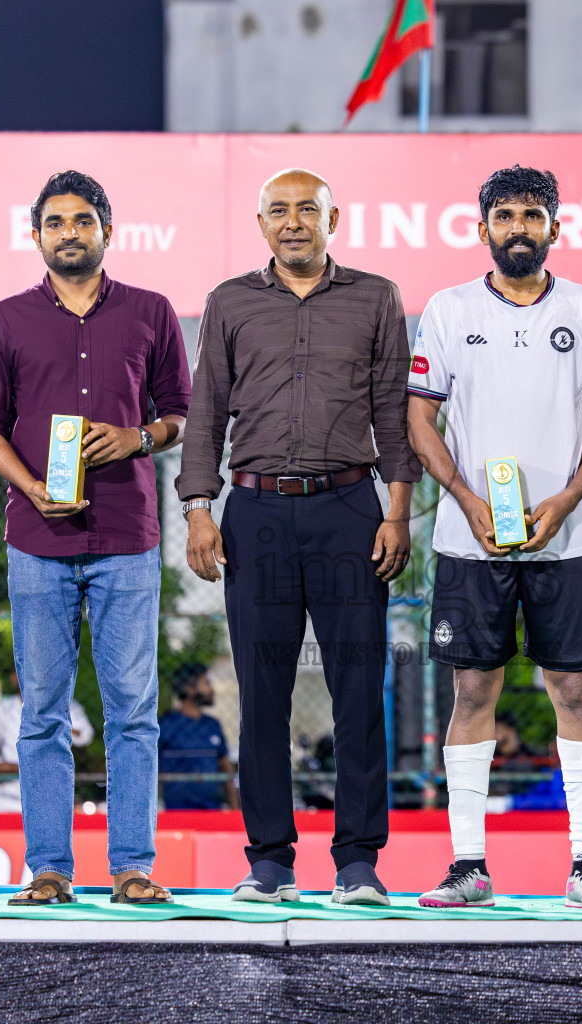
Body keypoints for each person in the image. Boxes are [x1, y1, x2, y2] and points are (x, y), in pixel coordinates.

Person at [180, 168, 417, 907]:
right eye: (278, 211)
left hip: (352, 509)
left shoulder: (376, 297)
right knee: (262, 694)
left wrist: (398, 510)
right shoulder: (229, 302)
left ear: (332, 219)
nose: (293, 222)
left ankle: (358, 864)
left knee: (358, 690)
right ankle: (269, 863)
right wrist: (197, 508)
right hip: (255, 519)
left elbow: (392, 409)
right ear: (261, 225)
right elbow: (206, 412)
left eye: (306, 210)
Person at [407, 165, 582, 909]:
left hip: (566, 539)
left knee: (573, 687)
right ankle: (467, 865)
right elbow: (418, 422)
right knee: (474, 687)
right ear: (484, 229)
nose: (519, 228)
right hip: (471, 540)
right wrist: (465, 499)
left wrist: (565, 502)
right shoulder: (447, 308)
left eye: (533, 215)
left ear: (555, 227)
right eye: (505, 216)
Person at [0, 170, 190, 907]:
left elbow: (182, 417)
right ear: (36, 236)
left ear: (107, 231)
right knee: (42, 714)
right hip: (37, 536)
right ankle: (49, 869)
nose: (70, 232)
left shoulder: (152, 313)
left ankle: (132, 867)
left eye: (83, 221)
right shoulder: (2, 321)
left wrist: (139, 436)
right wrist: (30, 488)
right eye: (56, 222)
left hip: (129, 534)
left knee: (132, 709)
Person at [0, 671, 95, 813]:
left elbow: (84, 735)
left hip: (53, 799)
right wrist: (21, 767)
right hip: (8, 802)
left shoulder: (65, 705)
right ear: (14, 677)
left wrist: (51, 721)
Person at [157, 663, 238, 810]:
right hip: (176, 812)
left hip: (212, 810)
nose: (211, 689)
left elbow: (225, 767)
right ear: (189, 688)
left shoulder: (212, 725)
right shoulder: (165, 725)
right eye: (206, 683)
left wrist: (235, 809)